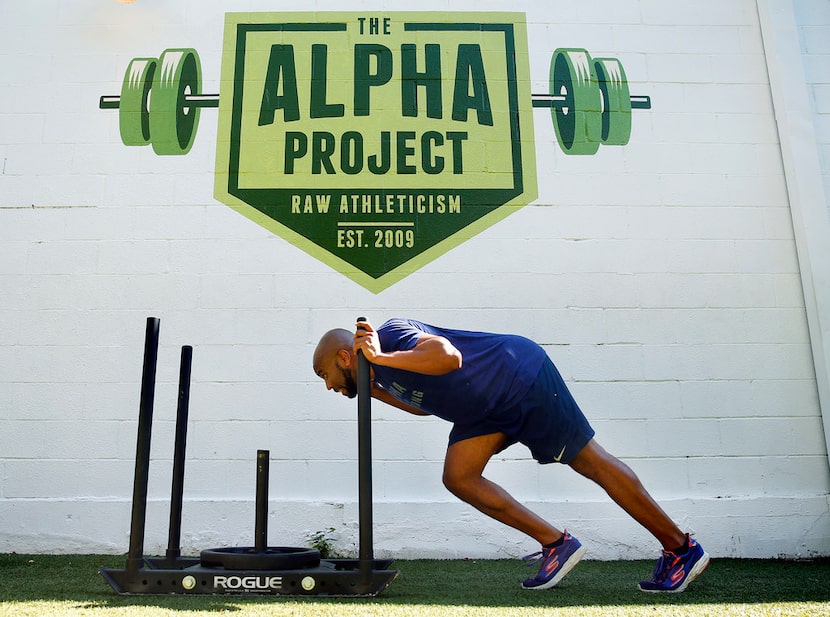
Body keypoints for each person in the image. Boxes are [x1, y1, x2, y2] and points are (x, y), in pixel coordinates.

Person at [313, 317, 709, 592]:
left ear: (344, 358)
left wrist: (381, 359)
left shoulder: (393, 336)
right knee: (459, 476)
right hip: (485, 409)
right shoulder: (380, 373)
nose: (328, 386)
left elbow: (448, 357)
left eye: (324, 374)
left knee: (590, 461)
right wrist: (373, 386)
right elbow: (421, 404)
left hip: (517, 377)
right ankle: (557, 544)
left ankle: (680, 549)